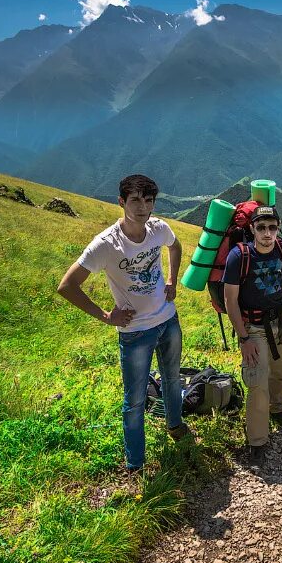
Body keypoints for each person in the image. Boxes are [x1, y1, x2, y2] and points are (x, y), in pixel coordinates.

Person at [57, 174, 190, 473]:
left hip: (168, 319)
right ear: (121, 202)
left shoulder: (159, 229)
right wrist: (106, 316)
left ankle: (175, 425)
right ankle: (135, 463)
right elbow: (67, 286)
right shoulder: (105, 245)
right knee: (135, 400)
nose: (142, 207)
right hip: (134, 332)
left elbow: (176, 246)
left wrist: (171, 280)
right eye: (135, 200)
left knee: (171, 379)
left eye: (148, 200)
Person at [222, 205, 282, 468]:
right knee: (257, 381)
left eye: (272, 227)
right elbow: (230, 300)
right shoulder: (239, 256)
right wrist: (244, 338)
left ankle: (277, 409)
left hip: (281, 318)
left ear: (278, 227)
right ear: (252, 229)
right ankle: (257, 440)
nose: (267, 233)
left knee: (281, 369)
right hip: (253, 325)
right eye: (261, 227)